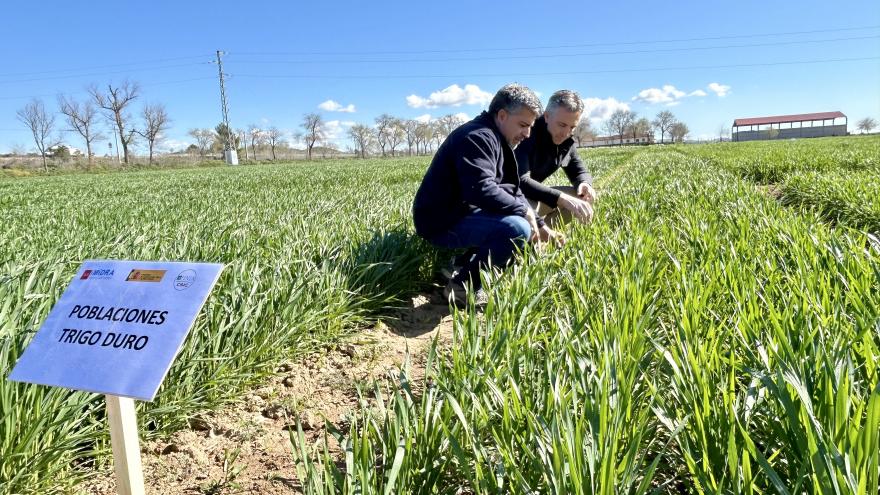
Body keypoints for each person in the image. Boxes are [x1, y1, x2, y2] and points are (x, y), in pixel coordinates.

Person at [412, 83, 542, 306]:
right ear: (502, 115)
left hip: (462, 213)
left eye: (530, 126)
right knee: (516, 229)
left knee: (522, 221)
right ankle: (462, 287)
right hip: (441, 222)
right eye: (523, 125)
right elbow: (480, 190)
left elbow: (511, 189)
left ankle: (461, 265)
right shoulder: (477, 137)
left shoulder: (498, 140)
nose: (527, 134)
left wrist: (539, 223)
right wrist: (524, 213)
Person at [514, 89, 597, 245]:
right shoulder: (526, 134)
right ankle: (530, 237)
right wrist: (561, 198)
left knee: (581, 198)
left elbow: (579, 170)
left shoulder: (566, 141)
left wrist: (585, 184)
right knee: (521, 222)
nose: (566, 132)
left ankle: (543, 238)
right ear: (546, 116)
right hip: (514, 199)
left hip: (535, 197)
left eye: (572, 127)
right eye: (562, 125)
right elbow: (521, 181)